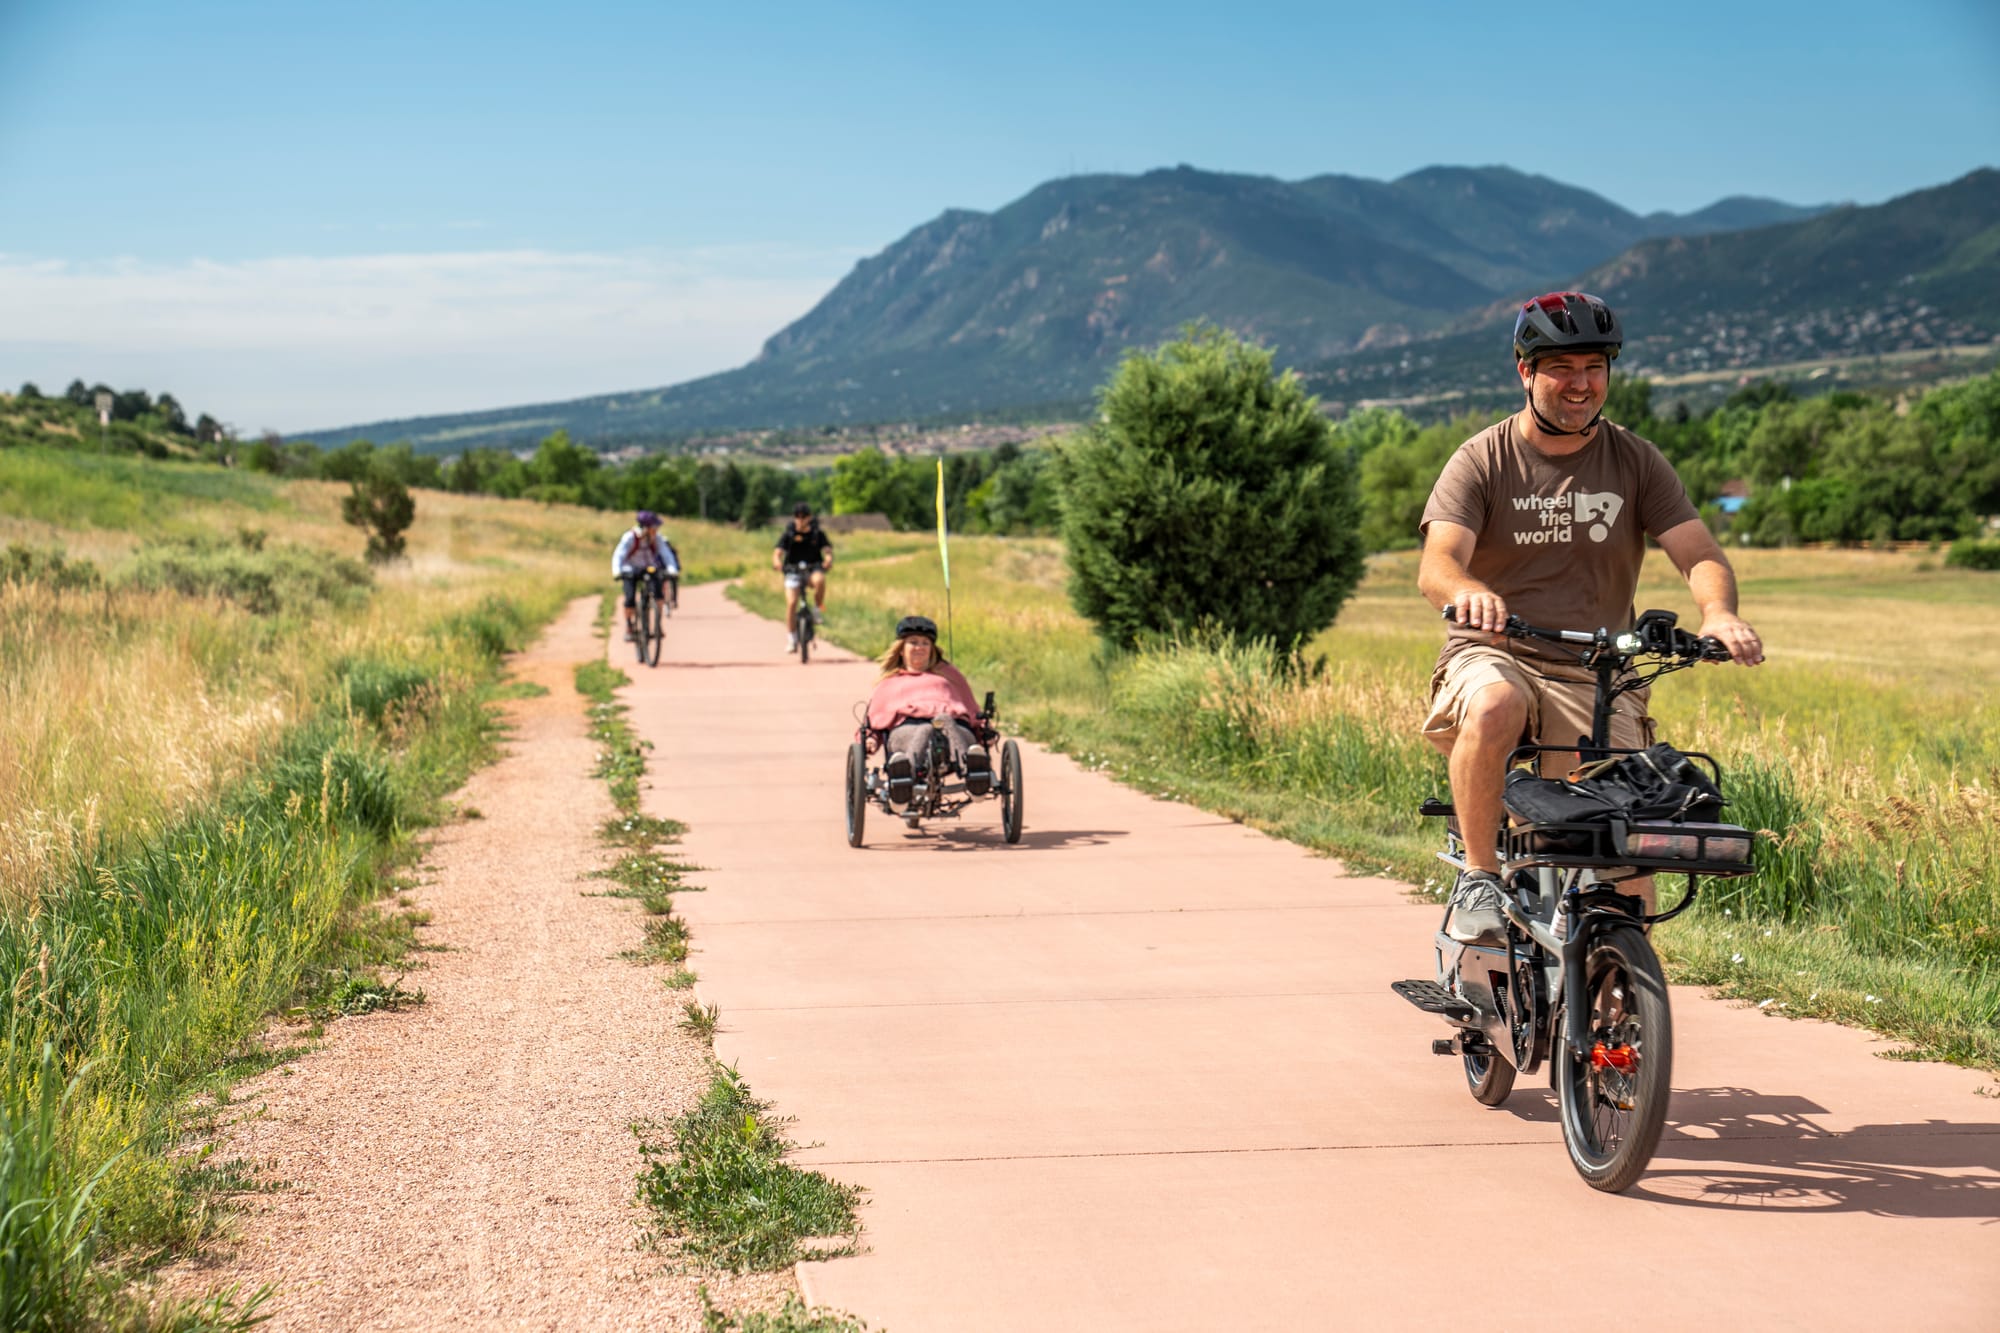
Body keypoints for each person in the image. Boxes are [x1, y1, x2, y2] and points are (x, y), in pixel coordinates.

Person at [1416, 291, 1764, 945]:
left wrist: (1719, 613)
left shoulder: (1635, 459)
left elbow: (1698, 551)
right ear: (1526, 370)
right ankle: (1481, 879)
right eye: (1562, 367)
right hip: (1496, 650)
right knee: (1495, 704)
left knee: (1630, 850)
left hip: (1596, 669)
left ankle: (1618, 1004)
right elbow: (1438, 564)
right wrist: (1471, 591)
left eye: (1594, 367)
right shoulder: (1482, 459)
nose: (1580, 384)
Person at [863, 615, 991, 805]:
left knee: (943, 720)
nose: (920, 647)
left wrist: (984, 731)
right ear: (901, 649)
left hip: (955, 729)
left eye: (925, 643)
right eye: (913, 642)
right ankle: (904, 781)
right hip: (908, 730)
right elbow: (876, 717)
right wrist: (871, 739)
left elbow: (971, 707)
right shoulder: (890, 682)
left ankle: (973, 774)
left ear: (932, 649)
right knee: (926, 729)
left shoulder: (949, 674)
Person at [772, 502, 833, 653]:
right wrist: (777, 563)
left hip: (813, 569)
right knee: (792, 603)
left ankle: (817, 609)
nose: (800, 519)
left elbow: (827, 551)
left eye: (803, 516)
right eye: (797, 517)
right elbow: (777, 552)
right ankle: (792, 639)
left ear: (809, 517)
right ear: (794, 518)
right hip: (792, 570)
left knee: (820, 580)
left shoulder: (817, 534)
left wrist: (828, 560)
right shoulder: (789, 534)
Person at [611, 511, 679, 641]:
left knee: (659, 594)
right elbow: (618, 555)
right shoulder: (630, 537)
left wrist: (672, 569)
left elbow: (666, 554)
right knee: (630, 598)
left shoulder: (656, 538)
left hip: (649, 568)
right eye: (654, 527)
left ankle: (658, 624)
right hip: (630, 569)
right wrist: (617, 571)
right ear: (645, 527)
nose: (656, 529)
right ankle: (629, 626)